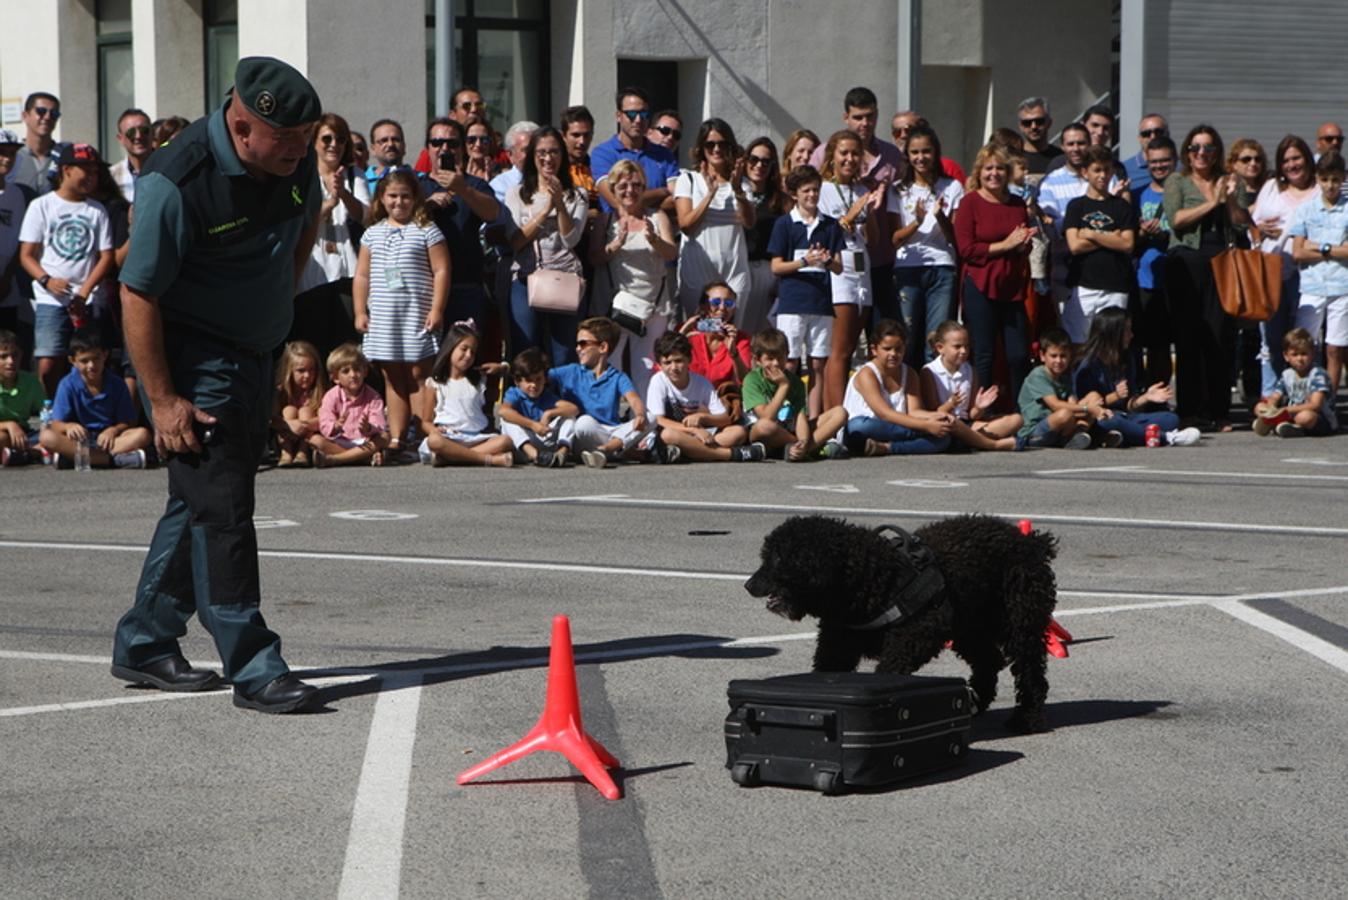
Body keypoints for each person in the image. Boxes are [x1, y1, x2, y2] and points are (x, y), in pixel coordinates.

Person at [110, 57, 324, 713]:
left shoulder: (294, 163)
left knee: (199, 500)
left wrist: (271, 312)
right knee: (224, 507)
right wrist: (166, 399)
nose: (297, 154)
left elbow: (302, 224)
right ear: (240, 123)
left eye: (305, 141)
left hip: (255, 355)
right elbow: (138, 292)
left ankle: (146, 640)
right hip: (193, 357)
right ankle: (254, 664)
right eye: (284, 141)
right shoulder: (178, 180)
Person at [354, 169, 448, 458]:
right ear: (382, 198)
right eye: (393, 196)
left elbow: (442, 270)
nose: (399, 202)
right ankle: (396, 437)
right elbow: (362, 276)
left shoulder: (427, 230)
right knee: (392, 376)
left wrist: (437, 309)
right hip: (384, 316)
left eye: (405, 196)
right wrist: (360, 311)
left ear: (415, 199)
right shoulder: (372, 233)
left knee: (419, 374)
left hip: (416, 313)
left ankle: (420, 434)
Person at [1163, 124, 1249, 431]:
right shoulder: (1177, 181)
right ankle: (1189, 410)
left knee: (1220, 336)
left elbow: (1241, 226)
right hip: (1186, 262)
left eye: (1208, 148)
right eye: (1196, 148)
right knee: (1188, 338)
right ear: (1187, 152)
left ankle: (1219, 410)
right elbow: (1175, 219)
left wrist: (1230, 201)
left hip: (1222, 262)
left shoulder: (1229, 182)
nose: (1202, 153)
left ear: (1217, 153)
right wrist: (1211, 203)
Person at [18, 143, 114, 397]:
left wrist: (84, 291)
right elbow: (26, 255)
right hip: (51, 299)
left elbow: (106, 256)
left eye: (95, 171)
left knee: (88, 360)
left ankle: (84, 408)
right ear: (67, 170)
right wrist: (46, 280)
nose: (92, 177)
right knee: (49, 362)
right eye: (85, 171)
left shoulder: (97, 210)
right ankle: (50, 410)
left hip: (86, 300)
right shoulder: (41, 206)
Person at [808, 87, 906, 322]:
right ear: (846, 117)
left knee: (883, 330)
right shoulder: (825, 151)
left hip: (879, 255)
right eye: (858, 117)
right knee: (840, 340)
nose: (865, 123)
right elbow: (808, 197)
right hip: (838, 262)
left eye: (870, 116)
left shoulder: (891, 154)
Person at [954, 143, 1034, 404]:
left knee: (1019, 354)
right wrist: (1006, 245)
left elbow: (1021, 241)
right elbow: (966, 249)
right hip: (980, 282)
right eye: (989, 168)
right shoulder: (970, 203)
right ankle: (981, 410)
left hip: (1011, 285)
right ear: (979, 171)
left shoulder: (1017, 204)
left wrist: (1023, 244)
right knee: (984, 352)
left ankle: (1023, 411)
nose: (994, 174)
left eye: (1000, 168)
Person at [591, 158, 677, 396]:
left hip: (653, 304)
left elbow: (672, 252)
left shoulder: (657, 217)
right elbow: (593, 259)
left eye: (637, 185)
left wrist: (654, 240)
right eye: (623, 186)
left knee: (647, 367)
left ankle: (646, 421)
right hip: (616, 305)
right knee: (611, 364)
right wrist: (615, 244)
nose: (630, 191)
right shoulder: (605, 221)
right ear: (614, 189)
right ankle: (611, 418)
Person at [506, 125, 588, 365]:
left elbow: (571, 239)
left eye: (553, 152)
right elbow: (517, 240)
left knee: (563, 354)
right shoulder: (517, 194)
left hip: (564, 278)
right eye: (541, 152)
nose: (548, 158)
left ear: (562, 156)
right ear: (533, 157)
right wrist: (545, 211)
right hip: (525, 278)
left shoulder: (578, 195)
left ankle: (563, 401)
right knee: (526, 351)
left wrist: (561, 205)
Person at [768, 165, 845, 418]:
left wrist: (825, 260)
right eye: (806, 190)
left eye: (815, 190)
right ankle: (788, 416)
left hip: (820, 304)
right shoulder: (785, 224)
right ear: (795, 194)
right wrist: (804, 262)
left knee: (817, 363)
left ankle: (813, 418)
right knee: (789, 361)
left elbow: (838, 267)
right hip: (792, 303)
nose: (812, 195)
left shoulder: (831, 225)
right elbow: (776, 266)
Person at [816, 129, 883, 409]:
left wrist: (869, 214)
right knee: (840, 351)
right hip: (838, 271)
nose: (850, 159)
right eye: (844, 153)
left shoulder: (861, 190)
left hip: (861, 269)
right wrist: (851, 214)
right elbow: (823, 236)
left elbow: (874, 239)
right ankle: (834, 417)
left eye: (855, 153)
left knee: (855, 346)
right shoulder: (821, 189)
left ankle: (845, 410)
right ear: (832, 156)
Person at [294, 112, 369, 359]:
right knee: (313, 345)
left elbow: (367, 216)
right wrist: (327, 205)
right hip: (312, 272)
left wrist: (344, 195)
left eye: (340, 139)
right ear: (314, 141)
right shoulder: (301, 176)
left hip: (348, 271)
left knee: (345, 347)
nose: (334, 145)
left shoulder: (353, 175)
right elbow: (298, 222)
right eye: (327, 139)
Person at [1071, 308, 1200, 447]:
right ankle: (1167, 438)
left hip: (1125, 416)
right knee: (1111, 422)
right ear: (1114, 334)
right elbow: (1086, 405)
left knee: (1171, 419)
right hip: (1099, 417)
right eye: (1127, 331)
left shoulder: (1127, 358)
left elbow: (1129, 405)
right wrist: (1115, 396)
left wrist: (1146, 397)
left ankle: (1123, 435)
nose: (1131, 335)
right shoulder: (1087, 365)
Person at [889, 124, 963, 366]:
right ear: (908, 156)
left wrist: (940, 217)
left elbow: (955, 238)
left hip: (942, 268)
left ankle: (935, 395)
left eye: (926, 151)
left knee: (936, 339)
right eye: (915, 152)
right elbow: (894, 238)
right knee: (907, 337)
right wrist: (917, 223)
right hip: (907, 268)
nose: (921, 158)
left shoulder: (952, 187)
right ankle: (909, 395)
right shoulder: (899, 190)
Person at [1251, 135, 1316, 398]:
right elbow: (1251, 227)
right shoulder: (1270, 187)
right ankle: (1271, 396)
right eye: (1286, 160)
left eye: (1296, 158)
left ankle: (1304, 397)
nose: (1291, 165)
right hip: (1272, 272)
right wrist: (1258, 229)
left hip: (1310, 274)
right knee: (1271, 339)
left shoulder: (1320, 189)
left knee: (1303, 340)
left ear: (1307, 159)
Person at [422, 115, 500, 328]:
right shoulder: (415, 185)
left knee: (465, 355)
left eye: (452, 143)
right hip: (424, 287)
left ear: (462, 148)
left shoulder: (475, 185)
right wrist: (425, 206)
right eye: (437, 143)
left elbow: (493, 213)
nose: (444, 148)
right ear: (428, 148)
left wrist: (463, 189)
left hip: (466, 285)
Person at [842, 317, 958, 456]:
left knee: (943, 439)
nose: (893, 354)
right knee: (859, 425)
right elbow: (884, 414)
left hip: (899, 427)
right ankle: (914, 438)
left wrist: (938, 416)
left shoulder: (909, 373)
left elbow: (914, 411)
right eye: (887, 349)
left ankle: (886, 448)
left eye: (898, 349)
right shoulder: (867, 374)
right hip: (870, 428)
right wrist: (926, 426)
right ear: (874, 349)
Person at [1038, 123, 1124, 309]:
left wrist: (1083, 231)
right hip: (1066, 275)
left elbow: (1122, 229)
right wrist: (1106, 234)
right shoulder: (1050, 182)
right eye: (1070, 144)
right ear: (1062, 147)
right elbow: (1054, 230)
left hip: (1107, 275)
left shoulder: (1106, 176)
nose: (1076, 148)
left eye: (1081, 143)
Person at [674, 118, 754, 316]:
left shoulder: (741, 184)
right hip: (698, 270)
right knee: (703, 331)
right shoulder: (688, 180)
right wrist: (709, 195)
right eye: (710, 144)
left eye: (723, 144)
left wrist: (737, 192)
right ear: (702, 148)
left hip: (734, 270)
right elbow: (686, 225)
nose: (717, 149)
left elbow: (749, 222)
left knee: (730, 331)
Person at [645, 330, 764, 463]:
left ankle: (689, 452)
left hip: (696, 436)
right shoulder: (658, 380)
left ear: (689, 359)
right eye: (667, 363)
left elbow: (724, 419)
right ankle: (730, 454)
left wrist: (702, 417)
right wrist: (693, 430)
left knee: (738, 432)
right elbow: (659, 420)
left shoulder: (701, 382)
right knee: (667, 435)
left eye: (679, 361)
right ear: (660, 365)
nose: (674, 367)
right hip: (675, 434)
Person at [38, 328, 152, 468]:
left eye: (96, 358)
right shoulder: (67, 384)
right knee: (46, 436)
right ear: (73, 360)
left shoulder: (117, 383)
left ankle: (76, 459)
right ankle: (113, 460)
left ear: (105, 355)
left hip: (109, 440)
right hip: (80, 440)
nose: (91, 365)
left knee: (143, 435)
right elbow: (56, 423)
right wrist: (69, 426)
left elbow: (127, 422)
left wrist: (113, 430)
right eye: (84, 361)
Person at [1062, 145, 1137, 346]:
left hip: (1115, 287)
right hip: (1084, 286)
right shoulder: (1076, 206)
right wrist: (1111, 238)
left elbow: (1128, 243)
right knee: (1079, 344)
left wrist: (1092, 234)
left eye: (1107, 169)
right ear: (1085, 172)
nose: (1103, 175)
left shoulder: (1121, 206)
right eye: (1097, 170)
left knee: (1113, 345)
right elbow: (1075, 246)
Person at [549, 316, 649, 467]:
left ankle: (605, 450)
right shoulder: (571, 371)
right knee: (583, 422)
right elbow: (540, 376)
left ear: (603, 347)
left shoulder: (617, 376)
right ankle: (620, 451)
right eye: (577, 344)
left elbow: (634, 399)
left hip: (611, 430)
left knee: (651, 417)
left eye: (583, 344)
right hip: (585, 435)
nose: (577, 348)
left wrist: (640, 415)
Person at [1288, 150, 1348, 392]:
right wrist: (1336, 249)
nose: (1330, 186)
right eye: (1325, 179)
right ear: (1317, 179)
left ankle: (1328, 402)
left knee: (1334, 347)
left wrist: (1319, 246)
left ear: (1343, 178)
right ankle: (1302, 396)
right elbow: (1297, 252)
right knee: (1304, 344)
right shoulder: (1306, 209)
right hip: (1312, 286)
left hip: (1342, 286)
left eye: (1335, 179)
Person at [742, 326, 847, 460]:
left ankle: (800, 449)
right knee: (765, 426)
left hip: (790, 430)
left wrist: (802, 440)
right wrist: (783, 385)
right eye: (769, 358)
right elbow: (766, 416)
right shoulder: (752, 380)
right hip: (765, 434)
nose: (776, 363)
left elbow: (800, 417)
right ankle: (808, 448)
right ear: (758, 360)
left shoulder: (796, 382)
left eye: (780, 357)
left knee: (840, 413)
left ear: (787, 355)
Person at [417, 320, 514, 466]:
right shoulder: (436, 383)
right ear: (450, 348)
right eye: (464, 349)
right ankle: (486, 459)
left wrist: (501, 367)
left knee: (505, 441)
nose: (468, 355)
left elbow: (518, 373)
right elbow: (425, 421)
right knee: (434, 441)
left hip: (476, 437)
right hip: (449, 436)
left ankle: (452, 457)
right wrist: (434, 430)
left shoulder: (478, 379)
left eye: (473, 352)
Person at [920, 320, 1023, 443]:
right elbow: (933, 412)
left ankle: (970, 440)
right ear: (940, 348)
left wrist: (979, 407)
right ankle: (980, 441)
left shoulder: (970, 370)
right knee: (952, 426)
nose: (963, 351)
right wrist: (951, 404)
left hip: (967, 425)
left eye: (967, 346)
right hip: (945, 423)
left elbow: (971, 415)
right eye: (957, 346)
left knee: (1017, 419)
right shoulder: (929, 371)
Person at [591, 87, 680, 215]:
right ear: (618, 116)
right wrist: (662, 192)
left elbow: (678, 199)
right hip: (618, 231)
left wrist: (635, 202)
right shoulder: (603, 153)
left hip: (658, 231)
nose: (638, 120)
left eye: (643, 114)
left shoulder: (665, 155)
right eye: (632, 114)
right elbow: (616, 200)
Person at [1133, 136, 1177, 386]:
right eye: (1154, 162)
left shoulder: (1184, 193)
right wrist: (1142, 233)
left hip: (1176, 278)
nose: (1159, 166)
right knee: (1147, 344)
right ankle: (1147, 397)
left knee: (1171, 344)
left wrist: (1164, 233)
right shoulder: (1138, 195)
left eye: (1165, 161)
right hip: (1146, 280)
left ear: (1175, 161)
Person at [310, 342, 390, 467]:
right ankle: (363, 458)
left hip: (364, 440)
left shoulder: (373, 396)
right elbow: (325, 422)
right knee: (316, 441)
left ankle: (334, 459)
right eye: (346, 371)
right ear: (336, 378)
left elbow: (379, 425)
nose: (353, 375)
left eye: (357, 369)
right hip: (340, 440)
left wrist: (368, 428)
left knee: (384, 438)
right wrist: (335, 426)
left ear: (365, 372)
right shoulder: (331, 396)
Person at [498, 346, 578, 467]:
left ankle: (561, 453)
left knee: (569, 418)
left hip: (544, 438)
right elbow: (503, 411)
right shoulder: (514, 393)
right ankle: (533, 454)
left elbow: (573, 409)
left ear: (545, 379)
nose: (534, 385)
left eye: (538, 379)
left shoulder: (546, 395)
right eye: (529, 380)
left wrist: (549, 413)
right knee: (506, 420)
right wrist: (532, 425)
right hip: (523, 444)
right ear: (517, 381)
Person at [1017, 329, 1097, 449]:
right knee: (1066, 414)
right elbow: (1055, 405)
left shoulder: (1064, 378)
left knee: (1093, 397)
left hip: (1060, 426)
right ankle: (1073, 437)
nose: (1058, 361)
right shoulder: (1038, 375)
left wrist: (1090, 407)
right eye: (1053, 356)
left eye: (1063, 356)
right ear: (1042, 356)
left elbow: (1072, 403)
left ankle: (1077, 436)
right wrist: (1088, 409)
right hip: (1035, 429)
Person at [1253, 328, 1337, 437]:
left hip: (1318, 418)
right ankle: (1279, 424)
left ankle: (1287, 426)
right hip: (1292, 413)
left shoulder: (1317, 374)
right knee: (1259, 407)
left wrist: (1286, 410)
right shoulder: (1287, 374)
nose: (1300, 358)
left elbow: (1316, 405)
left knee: (1304, 417)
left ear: (1312, 354)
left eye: (1304, 354)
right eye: (1295, 354)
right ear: (1286, 356)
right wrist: (1271, 408)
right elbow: (1275, 396)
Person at [741, 136, 785, 335]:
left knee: (764, 334)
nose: (759, 165)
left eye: (765, 162)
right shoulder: (734, 193)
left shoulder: (780, 201)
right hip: (739, 268)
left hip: (767, 272)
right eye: (754, 159)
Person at [676, 279, 752, 388]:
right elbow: (664, 367)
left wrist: (734, 354)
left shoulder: (740, 339)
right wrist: (681, 336)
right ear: (703, 306)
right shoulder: (687, 333)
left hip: (721, 399)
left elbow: (746, 381)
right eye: (716, 302)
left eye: (728, 303)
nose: (722, 308)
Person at [270, 340, 325, 468]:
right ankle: (286, 452)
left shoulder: (318, 392)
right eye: (301, 371)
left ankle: (302, 452)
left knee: (305, 411)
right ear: (289, 371)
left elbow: (325, 418)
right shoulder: (280, 391)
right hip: (283, 436)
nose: (307, 375)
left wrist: (305, 425)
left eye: (312, 370)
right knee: (289, 410)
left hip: (308, 437)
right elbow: (270, 418)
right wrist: (288, 425)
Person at [0, 130, 32, 345]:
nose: (7, 159)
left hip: (6, 289)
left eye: (12, 154)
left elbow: (21, 239)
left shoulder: (16, 194)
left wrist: (7, 278)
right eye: (2, 153)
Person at [0, 328, 45, 466]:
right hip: (3, 432)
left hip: (25, 434)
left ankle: (22, 454)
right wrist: (9, 425)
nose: (10, 361)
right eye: (3, 357)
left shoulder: (30, 381)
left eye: (15, 355)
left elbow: (46, 411)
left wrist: (46, 427)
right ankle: (33, 454)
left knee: (52, 438)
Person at [7, 92, 60, 196]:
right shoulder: (11, 156)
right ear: (25, 116)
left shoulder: (62, 156)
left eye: (54, 114)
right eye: (41, 111)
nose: (47, 117)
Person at [109, 108, 154, 203]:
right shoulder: (112, 177)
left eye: (144, 130)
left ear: (152, 133)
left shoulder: (168, 168)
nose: (138, 136)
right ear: (120, 139)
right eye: (131, 132)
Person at [490, 120, 537, 205]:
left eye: (536, 149)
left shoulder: (552, 181)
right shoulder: (499, 186)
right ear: (510, 155)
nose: (532, 154)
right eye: (526, 150)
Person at [1015, 96, 1061, 180]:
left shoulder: (1061, 158)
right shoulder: (1012, 158)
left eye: (1039, 121)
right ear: (1020, 126)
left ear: (1049, 123)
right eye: (1027, 123)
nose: (1033, 126)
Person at [1123, 114, 1169, 194]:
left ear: (1167, 134)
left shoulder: (1181, 168)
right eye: (1146, 134)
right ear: (1139, 139)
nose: (1153, 137)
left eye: (1158, 132)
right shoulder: (1124, 169)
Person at [365, 118, 407, 196]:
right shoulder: (361, 181)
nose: (390, 144)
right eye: (384, 140)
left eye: (395, 140)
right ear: (373, 149)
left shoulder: (421, 180)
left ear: (404, 146)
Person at [464, 115, 498, 183]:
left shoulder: (500, 175)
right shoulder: (455, 175)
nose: (478, 144)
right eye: (471, 140)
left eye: (484, 140)